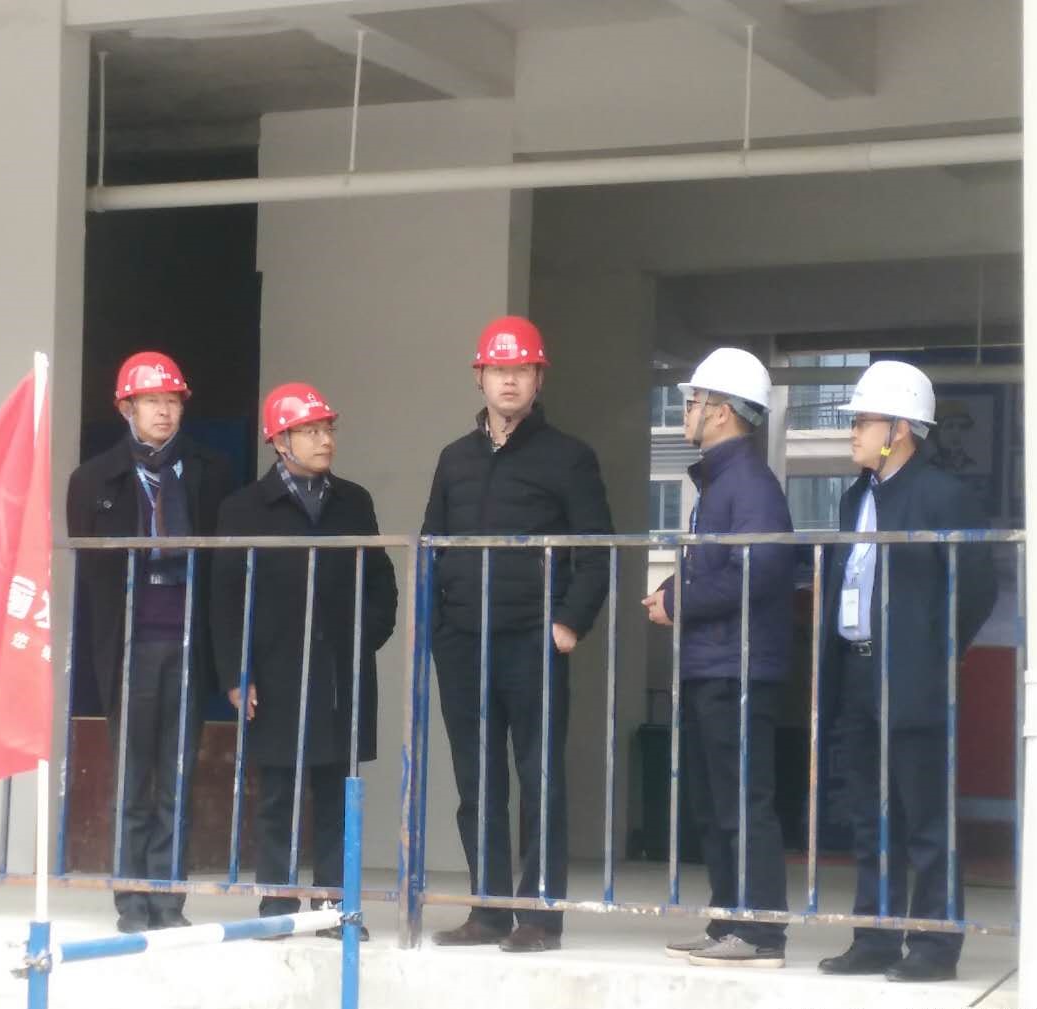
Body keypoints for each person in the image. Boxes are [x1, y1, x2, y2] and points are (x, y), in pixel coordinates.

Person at [424, 316, 614, 953]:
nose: (510, 380)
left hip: (533, 640)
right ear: (479, 377)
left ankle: (539, 915)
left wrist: (569, 623)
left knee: (539, 780)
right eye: (499, 370)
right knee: (476, 783)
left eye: (522, 369)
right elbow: (432, 545)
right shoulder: (454, 459)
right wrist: (437, 628)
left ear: (539, 379)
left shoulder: (568, 457)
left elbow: (597, 550)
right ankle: (489, 910)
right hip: (462, 642)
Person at [817, 360, 997, 983]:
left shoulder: (942, 495)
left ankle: (933, 947)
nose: (853, 433)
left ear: (899, 429)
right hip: (859, 672)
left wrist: (937, 650)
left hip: (915, 678)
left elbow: (976, 587)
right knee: (870, 816)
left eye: (863, 422)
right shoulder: (856, 497)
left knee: (926, 817)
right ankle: (875, 937)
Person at [211, 382, 397, 940]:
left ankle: (337, 909)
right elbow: (225, 597)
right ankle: (277, 904)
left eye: (327, 429)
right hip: (276, 672)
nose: (325, 440)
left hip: (340, 670)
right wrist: (237, 674)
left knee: (339, 793)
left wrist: (364, 638)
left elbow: (380, 581)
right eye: (310, 431)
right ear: (280, 441)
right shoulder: (244, 508)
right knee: (278, 794)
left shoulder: (354, 501)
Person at [66, 352, 234, 932]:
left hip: (188, 639)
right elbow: (91, 573)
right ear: (126, 409)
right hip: (129, 641)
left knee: (178, 774)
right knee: (133, 775)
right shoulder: (93, 479)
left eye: (172, 401)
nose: (164, 412)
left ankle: (168, 897)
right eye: (151, 402)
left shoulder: (211, 470)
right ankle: (131, 896)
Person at [643, 347, 794, 969]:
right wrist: (675, 591)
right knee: (714, 804)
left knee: (742, 802)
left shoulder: (748, 483)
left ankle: (760, 931)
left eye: (694, 401)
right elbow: (721, 569)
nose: (687, 411)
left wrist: (677, 601)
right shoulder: (723, 481)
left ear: (723, 411)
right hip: (717, 663)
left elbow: (758, 571)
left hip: (738, 668)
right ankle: (730, 919)